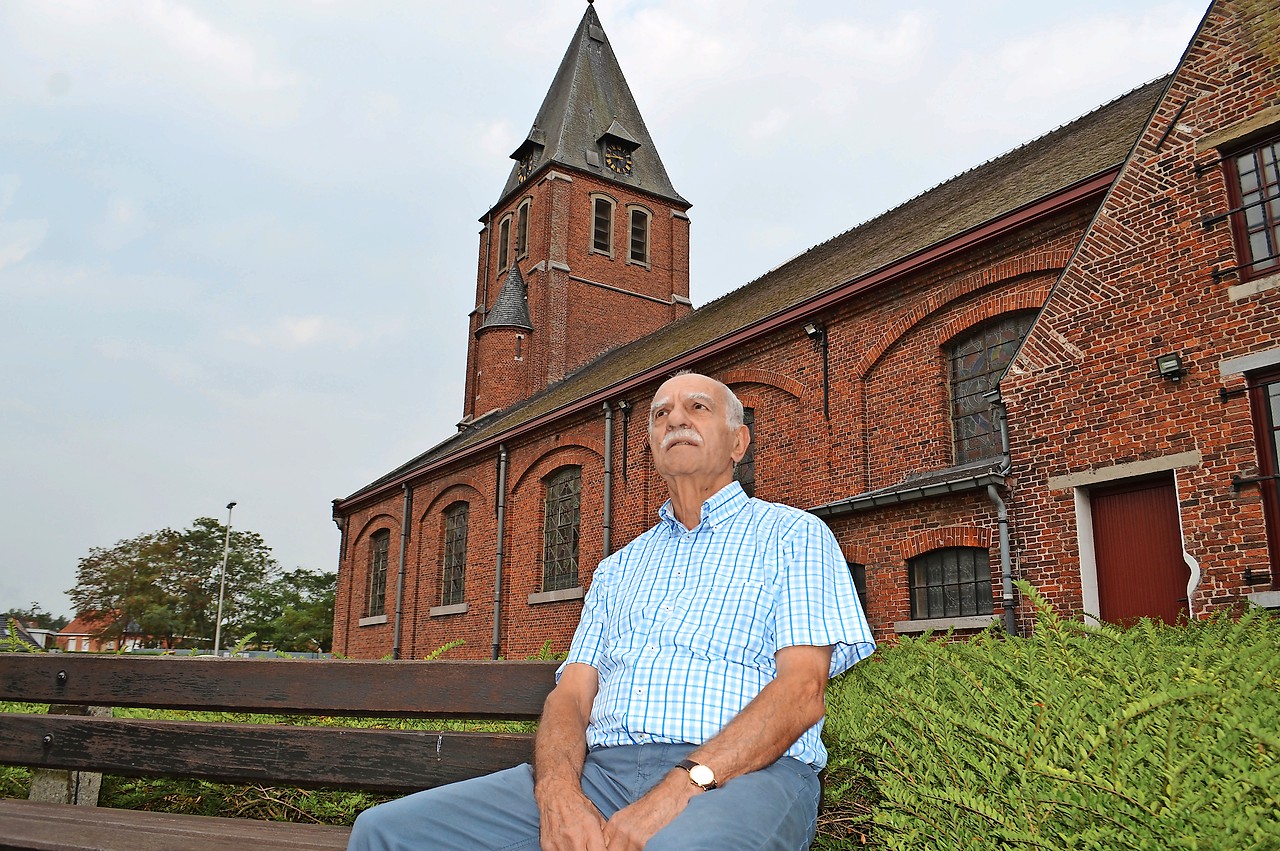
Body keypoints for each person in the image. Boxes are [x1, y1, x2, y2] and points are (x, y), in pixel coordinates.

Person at [349, 372, 874, 851]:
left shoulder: (794, 536)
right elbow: (572, 695)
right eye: (660, 414)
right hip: (600, 774)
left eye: (697, 407)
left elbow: (801, 692)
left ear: (738, 442)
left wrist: (679, 787)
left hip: (745, 775)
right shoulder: (618, 568)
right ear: (649, 444)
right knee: (385, 833)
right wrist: (558, 794)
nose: (675, 418)